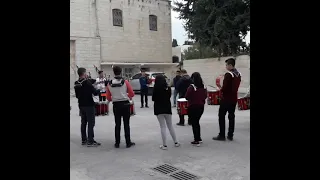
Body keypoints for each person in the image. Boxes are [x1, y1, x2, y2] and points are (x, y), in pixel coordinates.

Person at [106, 66, 136, 148]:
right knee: (126, 124)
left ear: (113, 72)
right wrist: (126, 95)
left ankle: (117, 143)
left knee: (117, 124)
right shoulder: (125, 82)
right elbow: (132, 94)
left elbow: (108, 97)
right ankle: (128, 142)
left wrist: (115, 97)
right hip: (125, 104)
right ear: (121, 72)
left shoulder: (109, 83)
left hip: (116, 105)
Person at [213, 58, 241, 141]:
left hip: (226, 99)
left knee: (221, 116)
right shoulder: (238, 74)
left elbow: (225, 88)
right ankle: (230, 135)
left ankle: (222, 135)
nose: (226, 67)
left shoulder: (228, 74)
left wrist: (220, 89)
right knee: (231, 116)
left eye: (226, 65)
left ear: (230, 65)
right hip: (234, 98)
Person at [74, 67, 101, 147]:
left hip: (81, 105)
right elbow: (95, 92)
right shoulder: (87, 82)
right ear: (84, 73)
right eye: (86, 73)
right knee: (91, 123)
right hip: (89, 104)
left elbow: (77, 96)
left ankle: (84, 140)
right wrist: (99, 89)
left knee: (83, 122)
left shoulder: (76, 83)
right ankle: (90, 141)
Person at [152, 75, 180, 150]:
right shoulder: (168, 88)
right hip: (167, 107)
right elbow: (169, 96)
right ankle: (176, 142)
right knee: (170, 125)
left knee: (163, 126)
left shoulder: (156, 88)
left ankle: (164, 145)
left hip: (158, 108)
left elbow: (153, 98)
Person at [185, 72, 207, 146]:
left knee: (195, 123)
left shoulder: (192, 87)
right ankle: (199, 138)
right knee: (197, 122)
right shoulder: (203, 86)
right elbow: (205, 96)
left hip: (193, 106)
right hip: (201, 106)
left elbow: (187, 96)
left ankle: (196, 139)